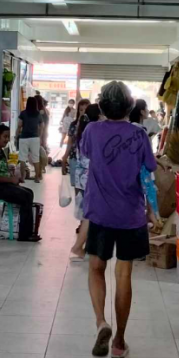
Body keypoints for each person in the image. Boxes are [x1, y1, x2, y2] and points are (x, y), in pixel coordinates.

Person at [79, 81, 157, 358]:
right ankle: (120, 343)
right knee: (123, 275)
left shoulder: (91, 130)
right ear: (129, 107)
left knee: (96, 268)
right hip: (131, 215)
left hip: (99, 212)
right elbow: (149, 170)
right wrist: (153, 209)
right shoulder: (140, 134)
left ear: (101, 105)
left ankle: (101, 322)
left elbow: (86, 154)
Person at [0, 124, 41, 242]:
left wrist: (13, 178)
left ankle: (26, 231)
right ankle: (24, 234)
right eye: (5, 136)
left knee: (29, 192)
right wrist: (10, 180)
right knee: (25, 196)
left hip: (1, 184)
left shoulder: (0, 151)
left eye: (8, 137)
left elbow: (2, 171)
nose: (7, 139)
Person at [62, 101, 98, 260]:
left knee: (88, 213)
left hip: (83, 178)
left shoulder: (83, 131)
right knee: (90, 214)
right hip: (89, 179)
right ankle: (78, 247)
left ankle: (86, 246)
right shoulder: (93, 134)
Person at [17, 96, 44, 183]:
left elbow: (19, 125)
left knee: (22, 158)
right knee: (36, 158)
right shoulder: (38, 114)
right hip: (35, 138)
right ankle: (37, 177)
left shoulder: (23, 113)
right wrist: (39, 135)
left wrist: (16, 135)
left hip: (24, 138)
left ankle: (22, 178)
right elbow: (42, 126)